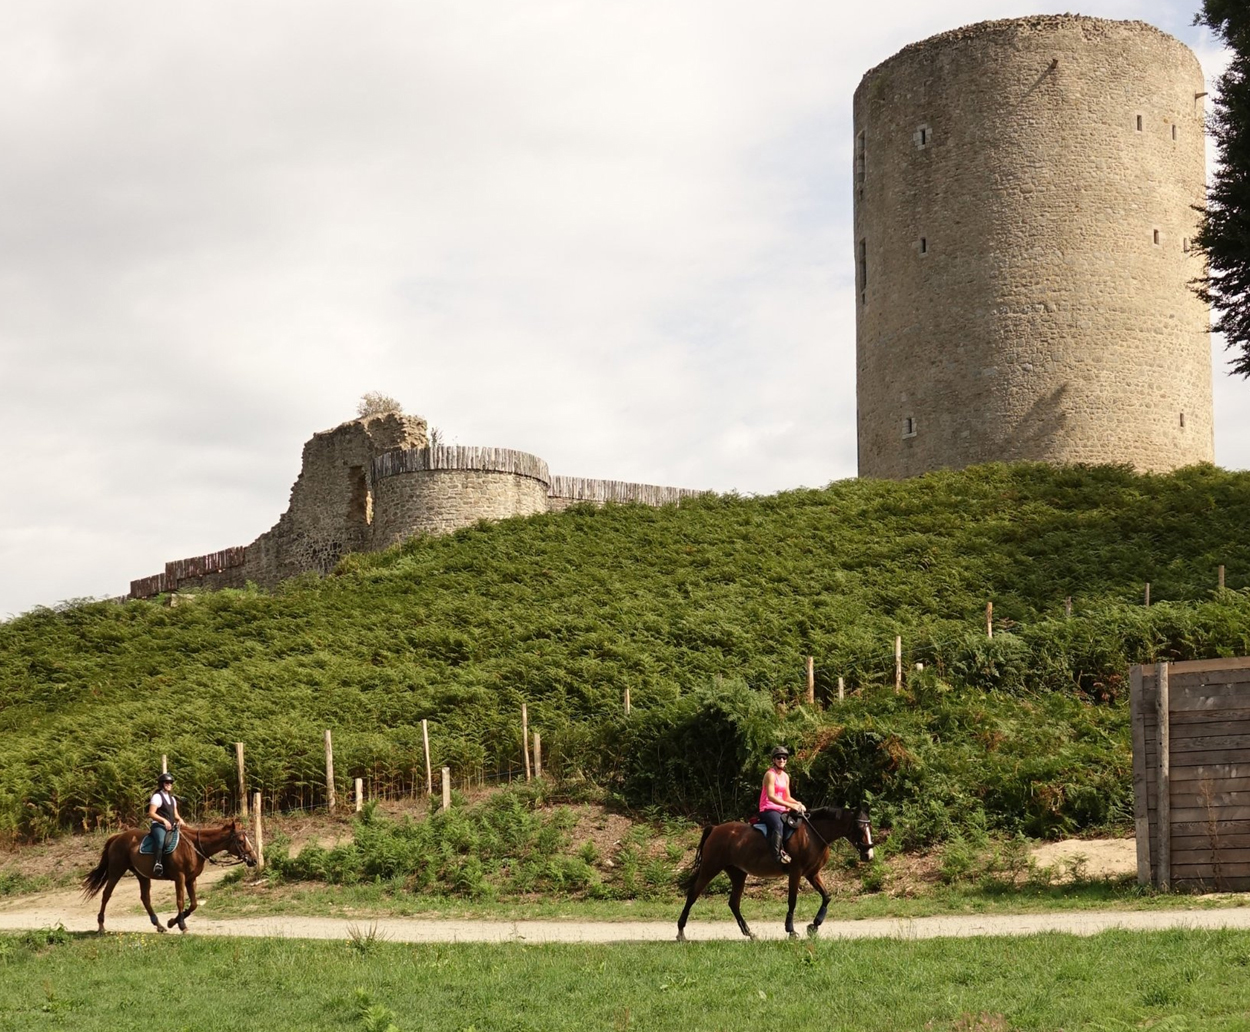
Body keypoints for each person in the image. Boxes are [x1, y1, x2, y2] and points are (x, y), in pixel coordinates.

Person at [759, 745, 806, 865]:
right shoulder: (770, 774)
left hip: (781, 808)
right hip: (768, 808)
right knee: (778, 825)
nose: (782, 760)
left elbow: (787, 796)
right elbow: (771, 796)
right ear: (774, 760)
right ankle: (776, 856)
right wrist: (790, 805)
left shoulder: (785, 777)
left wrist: (797, 803)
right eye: (779, 757)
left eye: (784, 758)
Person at [147, 772, 186, 877]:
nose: (169, 784)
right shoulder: (157, 797)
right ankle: (158, 863)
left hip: (171, 826)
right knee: (160, 841)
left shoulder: (172, 799)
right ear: (161, 784)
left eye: (170, 782)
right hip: (158, 826)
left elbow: (175, 814)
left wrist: (180, 820)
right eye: (166, 782)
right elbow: (151, 813)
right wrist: (163, 820)